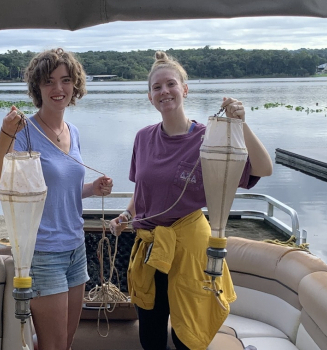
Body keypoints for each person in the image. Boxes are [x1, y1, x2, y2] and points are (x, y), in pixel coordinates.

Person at [109, 52, 273, 350]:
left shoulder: (209, 138)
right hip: (150, 249)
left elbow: (263, 169)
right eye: (157, 87)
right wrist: (125, 215)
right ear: (150, 97)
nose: (164, 92)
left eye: (171, 84)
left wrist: (241, 124)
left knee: (188, 336)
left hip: (191, 250)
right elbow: (140, 192)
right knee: (151, 335)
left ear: (185, 89)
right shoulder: (143, 138)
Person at [0, 48, 114, 350]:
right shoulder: (23, 132)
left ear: (75, 86)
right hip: (43, 253)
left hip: (76, 248)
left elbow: (59, 191)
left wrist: (91, 189)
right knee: (53, 346)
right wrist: (4, 135)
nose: (58, 89)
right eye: (49, 81)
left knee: (66, 343)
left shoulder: (74, 131)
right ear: (37, 88)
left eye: (65, 80)